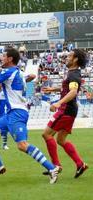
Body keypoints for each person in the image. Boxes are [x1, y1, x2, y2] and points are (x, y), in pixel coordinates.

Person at [0, 47, 60, 184]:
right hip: (12, 112)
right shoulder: (19, 72)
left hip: (17, 113)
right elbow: (26, 79)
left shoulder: (8, 71)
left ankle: (52, 168)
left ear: (10, 59)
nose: (1, 57)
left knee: (22, 145)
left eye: (3, 56)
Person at [42, 49, 88, 178]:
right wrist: (53, 89)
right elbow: (67, 88)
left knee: (46, 134)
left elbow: (73, 92)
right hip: (70, 110)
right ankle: (80, 164)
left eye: (69, 56)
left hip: (66, 109)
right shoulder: (72, 73)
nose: (66, 58)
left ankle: (56, 166)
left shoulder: (74, 75)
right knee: (61, 140)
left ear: (75, 60)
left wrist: (58, 103)